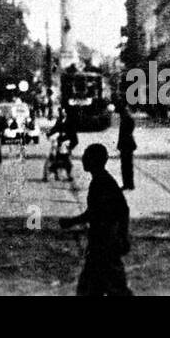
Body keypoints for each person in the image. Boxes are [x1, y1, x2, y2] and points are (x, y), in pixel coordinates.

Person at [61, 144, 132, 295]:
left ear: (95, 160)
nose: (83, 159)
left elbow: (118, 211)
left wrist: (71, 222)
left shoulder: (102, 182)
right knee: (92, 287)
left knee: (112, 288)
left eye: (87, 156)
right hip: (102, 243)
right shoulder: (101, 180)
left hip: (106, 244)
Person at [117, 105, 137, 191]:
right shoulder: (128, 118)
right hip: (127, 144)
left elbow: (124, 134)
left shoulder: (127, 119)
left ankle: (128, 184)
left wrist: (120, 144)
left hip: (126, 145)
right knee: (127, 165)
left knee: (126, 166)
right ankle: (129, 184)